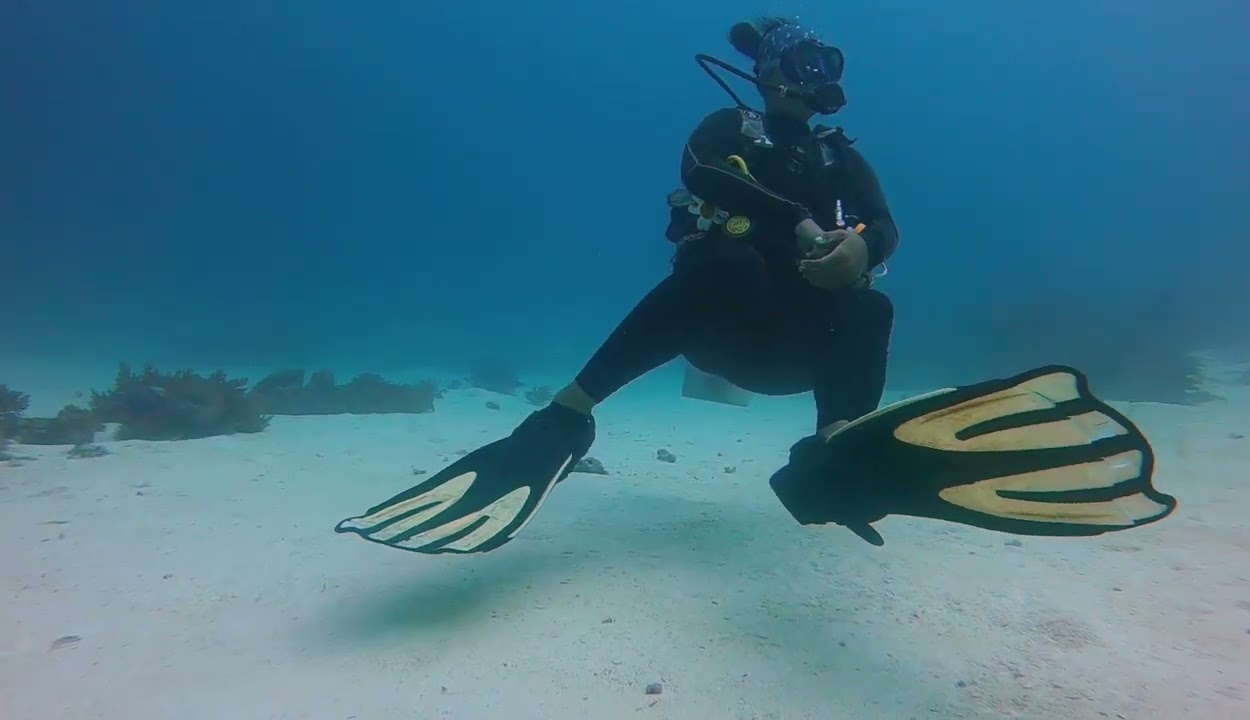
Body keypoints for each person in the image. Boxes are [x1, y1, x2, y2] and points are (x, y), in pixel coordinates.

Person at [335, 18, 1177, 555]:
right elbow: (704, 173)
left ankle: (838, 448)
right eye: (807, 60)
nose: (819, 74)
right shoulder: (727, 127)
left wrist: (861, 252)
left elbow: (885, 225)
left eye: (828, 60)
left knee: (872, 303)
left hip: (797, 350)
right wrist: (804, 229)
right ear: (774, 74)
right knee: (727, 261)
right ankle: (562, 415)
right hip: (716, 326)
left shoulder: (843, 155)